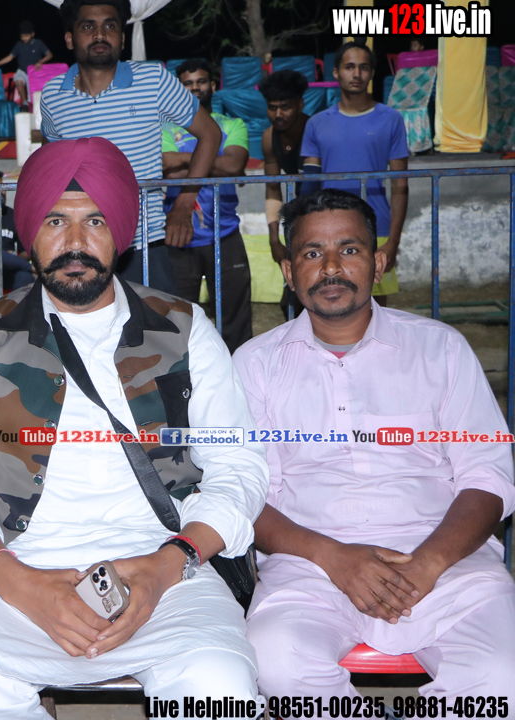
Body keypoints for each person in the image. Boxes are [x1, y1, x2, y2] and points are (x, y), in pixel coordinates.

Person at [0, 137, 269, 720]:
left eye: (96, 221)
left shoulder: (184, 328)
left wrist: (167, 566)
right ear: (29, 233)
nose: (75, 242)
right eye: (56, 220)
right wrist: (23, 585)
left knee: (220, 688)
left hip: (166, 570)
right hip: (13, 570)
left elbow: (239, 468)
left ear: (121, 233)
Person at [233, 188, 515, 698]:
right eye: (312, 253)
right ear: (290, 272)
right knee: (273, 659)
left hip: (447, 561)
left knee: (503, 675)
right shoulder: (255, 364)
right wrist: (336, 559)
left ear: (379, 263)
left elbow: (488, 476)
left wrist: (429, 563)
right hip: (311, 565)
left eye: (350, 249)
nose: (331, 267)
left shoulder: (441, 349)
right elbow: (246, 493)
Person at [40, 0, 223, 295]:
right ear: (70, 38)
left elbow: (210, 134)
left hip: (145, 244)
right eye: (88, 26)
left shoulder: (153, 80)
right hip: (80, 247)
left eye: (110, 25)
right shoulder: (53, 94)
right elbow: (49, 162)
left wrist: (184, 204)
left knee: (156, 323)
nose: (100, 34)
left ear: (122, 38)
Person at [300, 40, 408, 305]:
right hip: (327, 230)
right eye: (349, 67)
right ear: (336, 72)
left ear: (372, 72)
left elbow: (400, 186)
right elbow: (309, 186)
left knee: (376, 309)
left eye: (363, 67)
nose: (356, 73)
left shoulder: (391, 119)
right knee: (331, 302)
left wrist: (393, 241)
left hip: (376, 227)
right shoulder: (317, 123)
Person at [162, 59, 252, 353]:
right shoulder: (165, 128)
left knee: (234, 320)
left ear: (213, 85)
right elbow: (167, 169)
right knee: (176, 321)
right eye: (187, 83)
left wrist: (185, 159)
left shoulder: (232, 124)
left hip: (224, 233)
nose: (195, 88)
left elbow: (234, 165)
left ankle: (239, 372)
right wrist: (212, 158)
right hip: (178, 235)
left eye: (201, 81)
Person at [259, 69, 310, 319]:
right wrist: (273, 238)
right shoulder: (269, 137)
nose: (278, 114)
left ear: (300, 104)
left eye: (285, 107)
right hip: (298, 223)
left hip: (324, 219)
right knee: (290, 300)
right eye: (272, 108)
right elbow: (272, 188)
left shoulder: (315, 129)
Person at [0, 20, 53, 110]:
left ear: (32, 34)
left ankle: (34, 106)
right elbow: (9, 57)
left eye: (26, 36)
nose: (24, 38)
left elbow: (49, 55)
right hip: (22, 70)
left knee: (33, 94)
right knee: (19, 80)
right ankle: (24, 104)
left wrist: (40, 62)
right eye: (22, 36)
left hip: (34, 72)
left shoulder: (38, 43)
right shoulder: (19, 45)